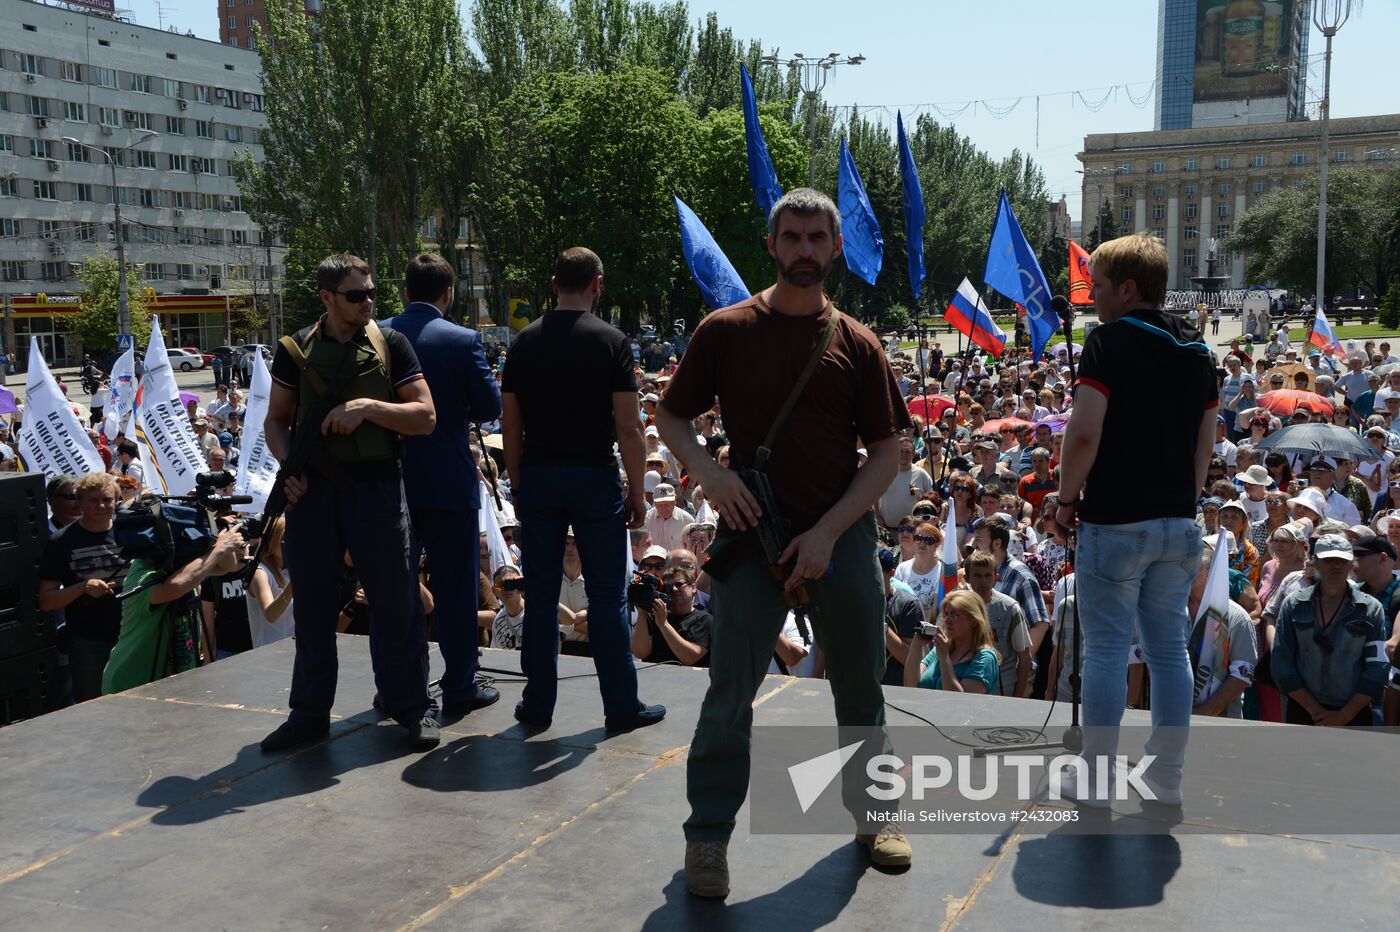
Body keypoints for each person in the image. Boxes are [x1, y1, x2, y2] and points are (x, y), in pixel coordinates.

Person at [656, 188, 913, 896]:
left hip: (842, 537)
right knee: (729, 690)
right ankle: (707, 838)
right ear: (772, 246)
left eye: (816, 238)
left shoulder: (857, 343)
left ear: (835, 249)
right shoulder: (725, 329)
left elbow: (888, 454)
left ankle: (875, 815)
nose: (804, 250)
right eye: (792, 237)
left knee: (862, 687)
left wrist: (830, 533)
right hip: (748, 535)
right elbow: (672, 418)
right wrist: (709, 476)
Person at [1055, 232, 1217, 806]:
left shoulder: (1108, 342)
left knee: (1105, 650)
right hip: (1180, 521)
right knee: (1170, 650)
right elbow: (1205, 447)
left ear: (1126, 289)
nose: (1090, 296)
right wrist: (1182, 503)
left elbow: (1083, 434)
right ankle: (1166, 778)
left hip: (1116, 522)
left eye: (1096, 286)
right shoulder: (1200, 351)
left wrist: (1065, 500)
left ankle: (1096, 778)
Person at [259, 252, 439, 753]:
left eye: (371, 293)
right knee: (314, 608)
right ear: (326, 297)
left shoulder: (391, 344)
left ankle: (412, 706)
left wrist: (368, 408)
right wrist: (287, 468)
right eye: (355, 295)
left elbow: (425, 416)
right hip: (313, 493)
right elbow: (277, 420)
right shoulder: (295, 349)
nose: (367, 302)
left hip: (377, 488)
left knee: (396, 604)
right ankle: (310, 714)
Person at [500, 246, 664, 733]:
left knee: (543, 593)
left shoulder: (523, 343)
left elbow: (511, 423)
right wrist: (638, 490)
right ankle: (620, 706)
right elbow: (630, 428)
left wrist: (517, 477)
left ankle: (537, 704)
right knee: (610, 595)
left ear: (554, 284)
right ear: (598, 283)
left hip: (541, 478)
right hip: (594, 477)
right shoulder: (612, 341)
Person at [381, 253, 503, 717]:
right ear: (448, 294)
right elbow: (489, 406)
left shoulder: (377, 334)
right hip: (449, 483)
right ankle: (459, 686)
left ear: (406, 290)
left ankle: (395, 687)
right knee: (455, 592)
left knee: (394, 589)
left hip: (391, 483)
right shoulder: (462, 339)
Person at [103, 522, 247, 693]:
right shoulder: (141, 573)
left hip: (175, 683)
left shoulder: (181, 566)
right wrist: (219, 548)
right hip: (133, 683)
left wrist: (219, 537)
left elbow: (226, 567)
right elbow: (176, 586)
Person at [1271, 535, 1388, 726]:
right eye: (1329, 560)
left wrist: (1344, 716)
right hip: (1302, 711)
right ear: (1315, 562)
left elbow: (1377, 668)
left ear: (1351, 564)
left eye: (1342, 560)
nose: (1336, 566)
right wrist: (1316, 712)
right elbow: (1281, 663)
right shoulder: (1293, 604)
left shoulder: (1371, 608)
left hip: (1353, 714)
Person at [38, 472, 131, 702]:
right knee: (94, 710)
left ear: (117, 501)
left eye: (107, 500)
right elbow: (47, 601)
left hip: (133, 637)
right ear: (79, 502)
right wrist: (81, 587)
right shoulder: (61, 542)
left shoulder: (131, 533)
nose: (101, 506)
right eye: (93, 500)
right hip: (89, 643)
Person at [1185, 540, 1258, 718]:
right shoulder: (1172, 612)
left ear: (1211, 574)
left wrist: (1204, 712)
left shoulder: (1237, 617)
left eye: (1192, 569)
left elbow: (1242, 675)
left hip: (1221, 722)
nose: (1184, 574)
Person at [903, 589, 1000, 693]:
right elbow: (910, 685)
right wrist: (916, 645)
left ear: (974, 621)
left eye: (954, 616)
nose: (947, 621)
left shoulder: (985, 657)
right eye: (946, 614)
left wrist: (945, 658)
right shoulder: (941, 649)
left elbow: (961, 702)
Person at [964, 550, 1031, 697]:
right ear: (966, 578)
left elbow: (1025, 657)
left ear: (996, 578)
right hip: (965, 687)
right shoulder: (956, 606)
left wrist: (1018, 697)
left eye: (988, 575)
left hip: (1001, 689)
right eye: (977, 575)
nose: (983, 582)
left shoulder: (1009, 608)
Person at [630, 567, 712, 666]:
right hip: (654, 678)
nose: (674, 589)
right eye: (668, 586)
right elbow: (640, 652)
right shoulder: (654, 615)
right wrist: (642, 613)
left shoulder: (705, 620)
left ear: (693, 588)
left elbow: (689, 658)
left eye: (679, 584)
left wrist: (663, 624)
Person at [246, 515, 295, 648]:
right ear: (273, 541)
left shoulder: (290, 570)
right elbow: (270, 615)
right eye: (285, 539)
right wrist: (293, 586)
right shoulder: (260, 572)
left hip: (293, 650)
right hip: (268, 655)